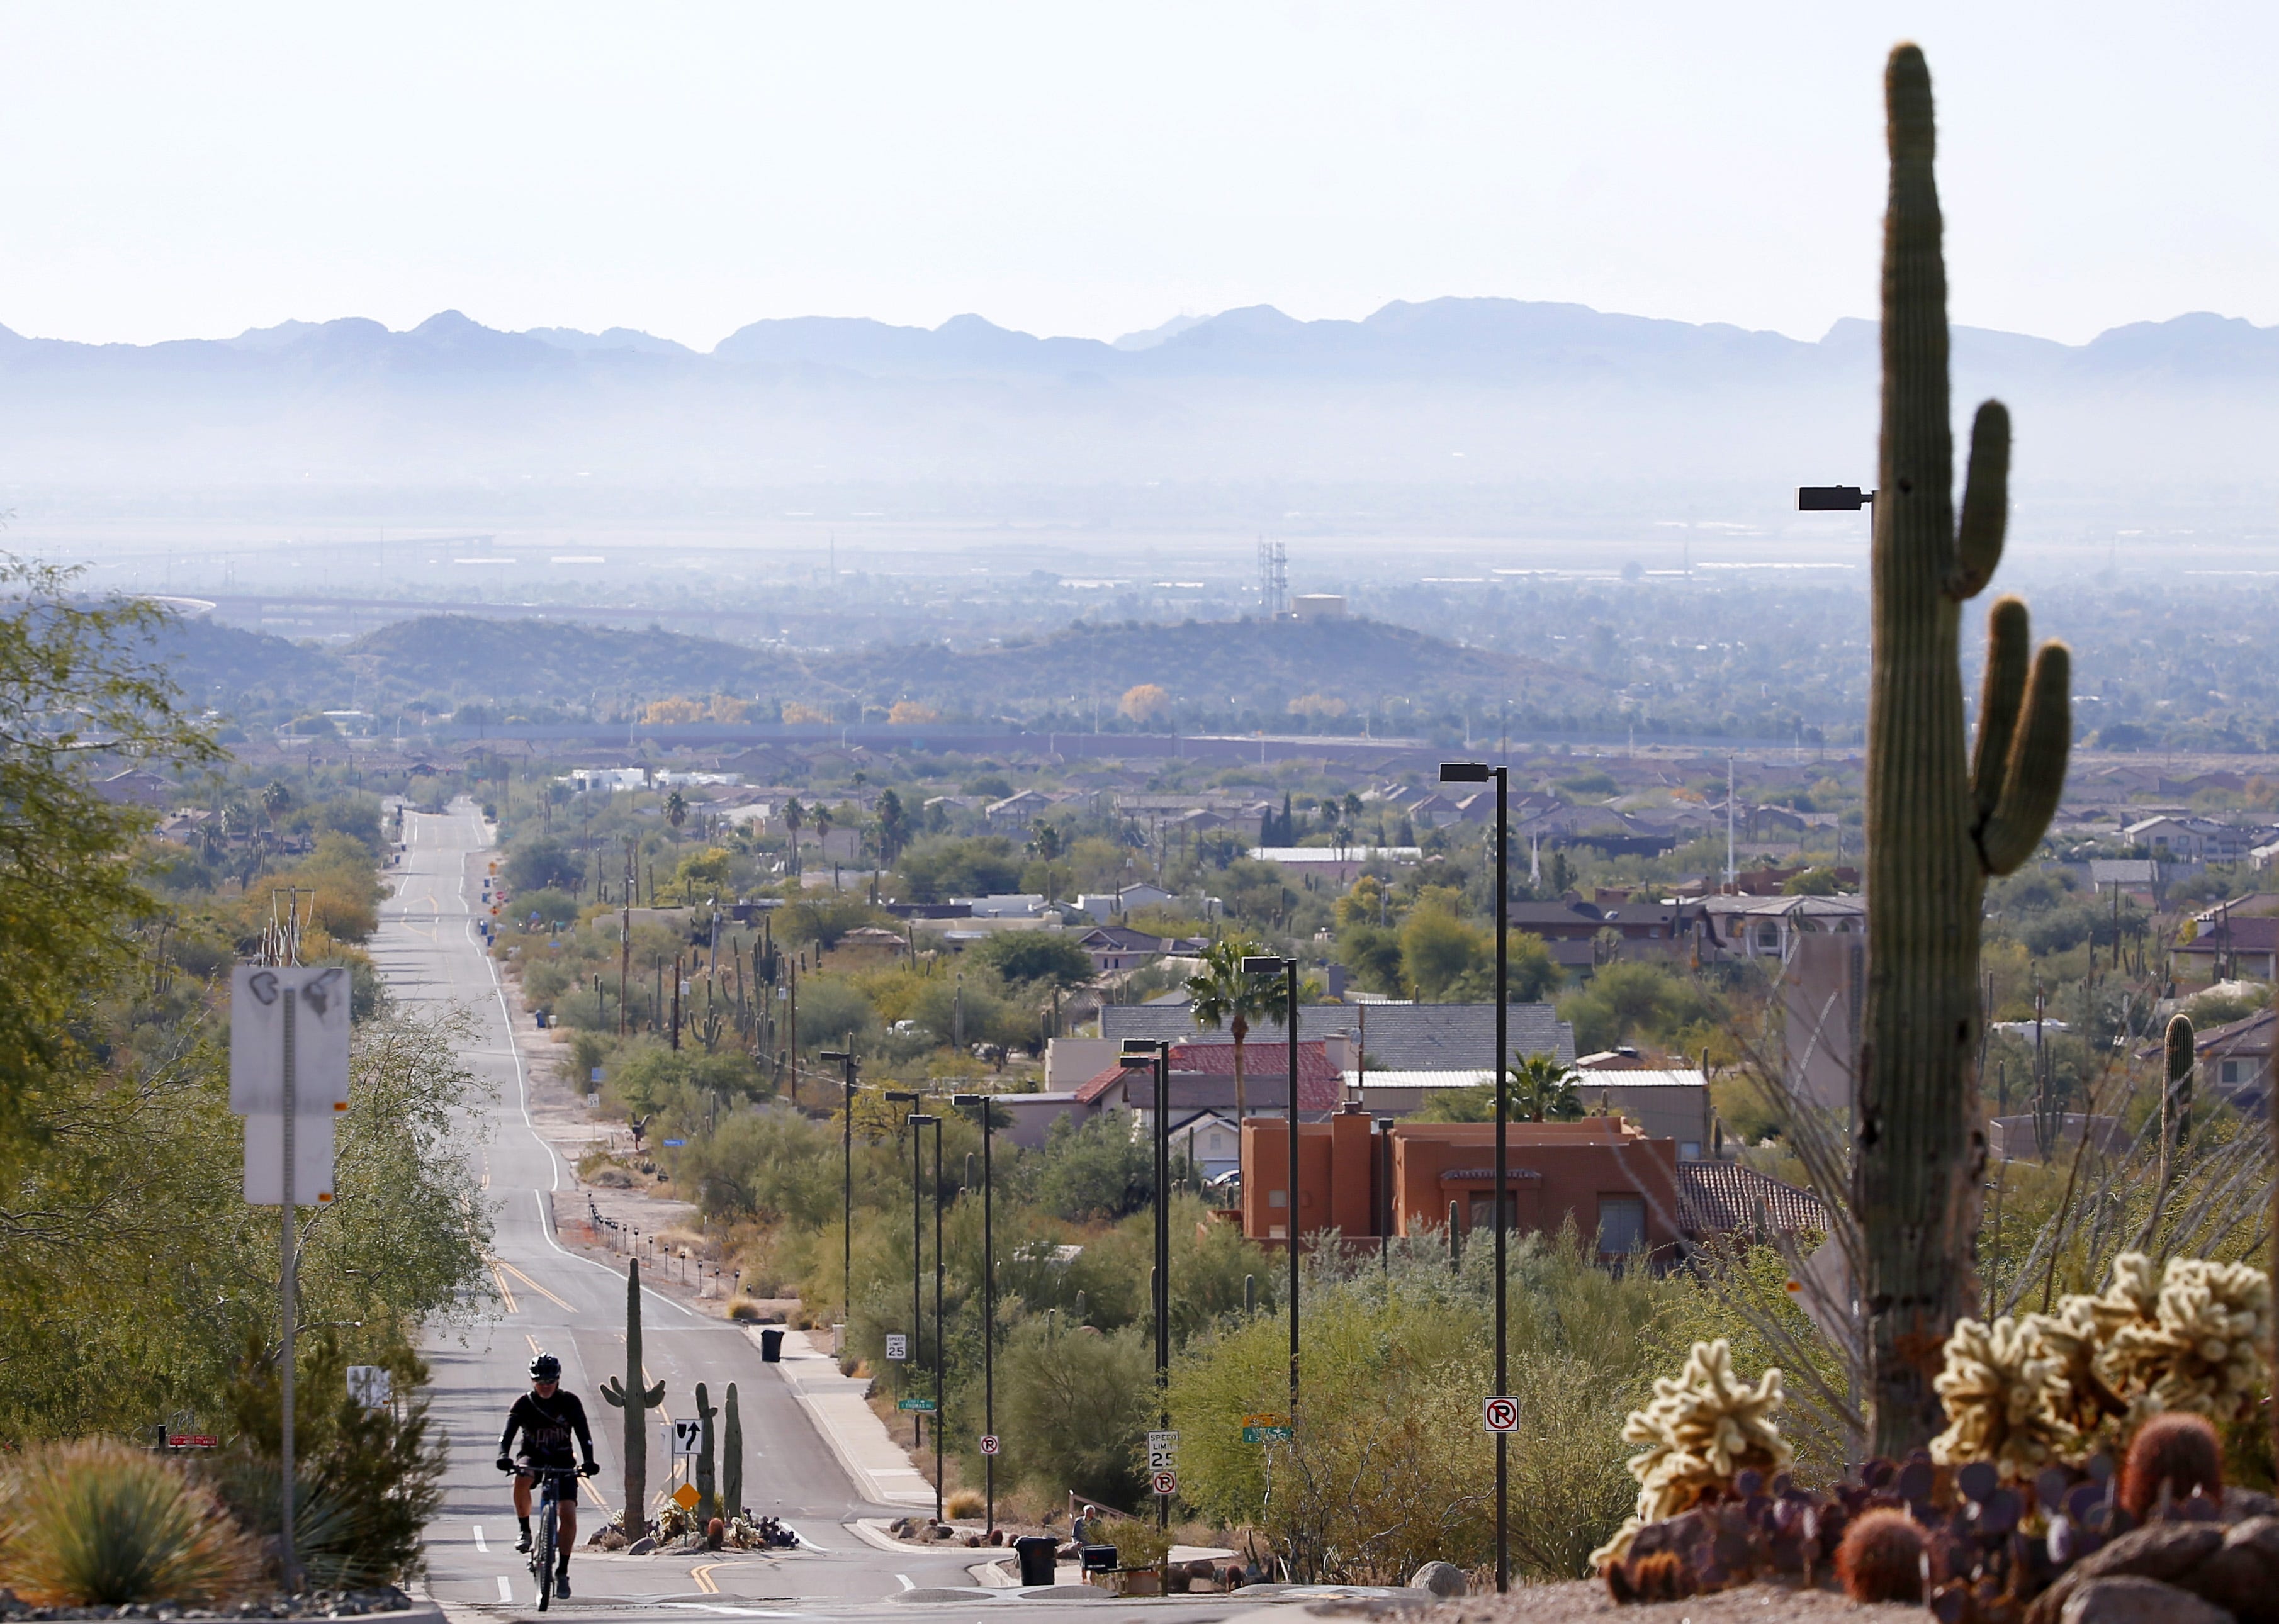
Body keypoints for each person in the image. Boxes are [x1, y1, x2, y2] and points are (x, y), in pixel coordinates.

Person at [497, 1353, 599, 1596]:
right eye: (540, 1382)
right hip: (533, 1456)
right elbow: (507, 1435)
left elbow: (584, 1434)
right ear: (533, 1381)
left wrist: (589, 1461)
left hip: (562, 1459)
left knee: (568, 1513)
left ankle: (562, 1572)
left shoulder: (570, 1402)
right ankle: (525, 1530)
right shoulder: (523, 1404)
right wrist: (503, 1455)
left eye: (550, 1382)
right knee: (521, 1478)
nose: (545, 1386)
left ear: (558, 1380)